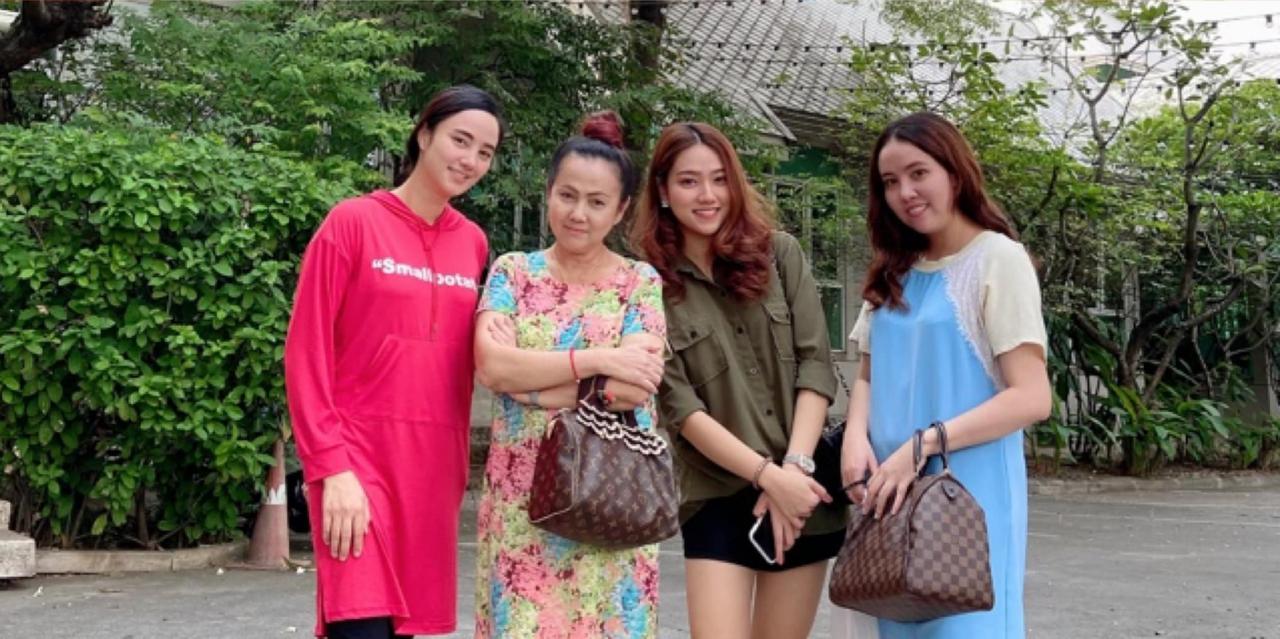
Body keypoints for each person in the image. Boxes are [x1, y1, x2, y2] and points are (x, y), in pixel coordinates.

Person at [284, 85, 505, 639]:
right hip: (355, 462)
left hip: (432, 471)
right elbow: (306, 352)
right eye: (460, 141)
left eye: (485, 152)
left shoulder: (474, 244)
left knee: (401, 629)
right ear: (424, 134)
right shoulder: (352, 223)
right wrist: (330, 468)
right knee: (358, 622)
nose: (471, 160)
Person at [836, 112, 1051, 639]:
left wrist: (923, 446)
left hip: (966, 496)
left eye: (919, 173)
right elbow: (867, 375)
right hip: (886, 495)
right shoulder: (895, 268)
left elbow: (1031, 396)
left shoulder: (997, 259)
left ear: (954, 173)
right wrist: (854, 439)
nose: (905, 192)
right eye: (890, 182)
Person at [631, 121, 843, 639]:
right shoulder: (646, 285)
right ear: (663, 190)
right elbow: (681, 408)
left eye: (719, 179)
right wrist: (768, 478)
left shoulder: (781, 255)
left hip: (803, 485)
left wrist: (792, 470)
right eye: (688, 181)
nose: (707, 195)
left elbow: (816, 366)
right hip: (718, 492)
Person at [472, 111, 667, 638]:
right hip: (522, 508)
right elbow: (492, 367)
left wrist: (530, 387)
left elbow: (632, 387)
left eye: (597, 202)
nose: (578, 213)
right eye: (567, 195)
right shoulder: (513, 272)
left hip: (611, 504)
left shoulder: (639, 282)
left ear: (621, 210)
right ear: (549, 193)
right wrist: (599, 361)